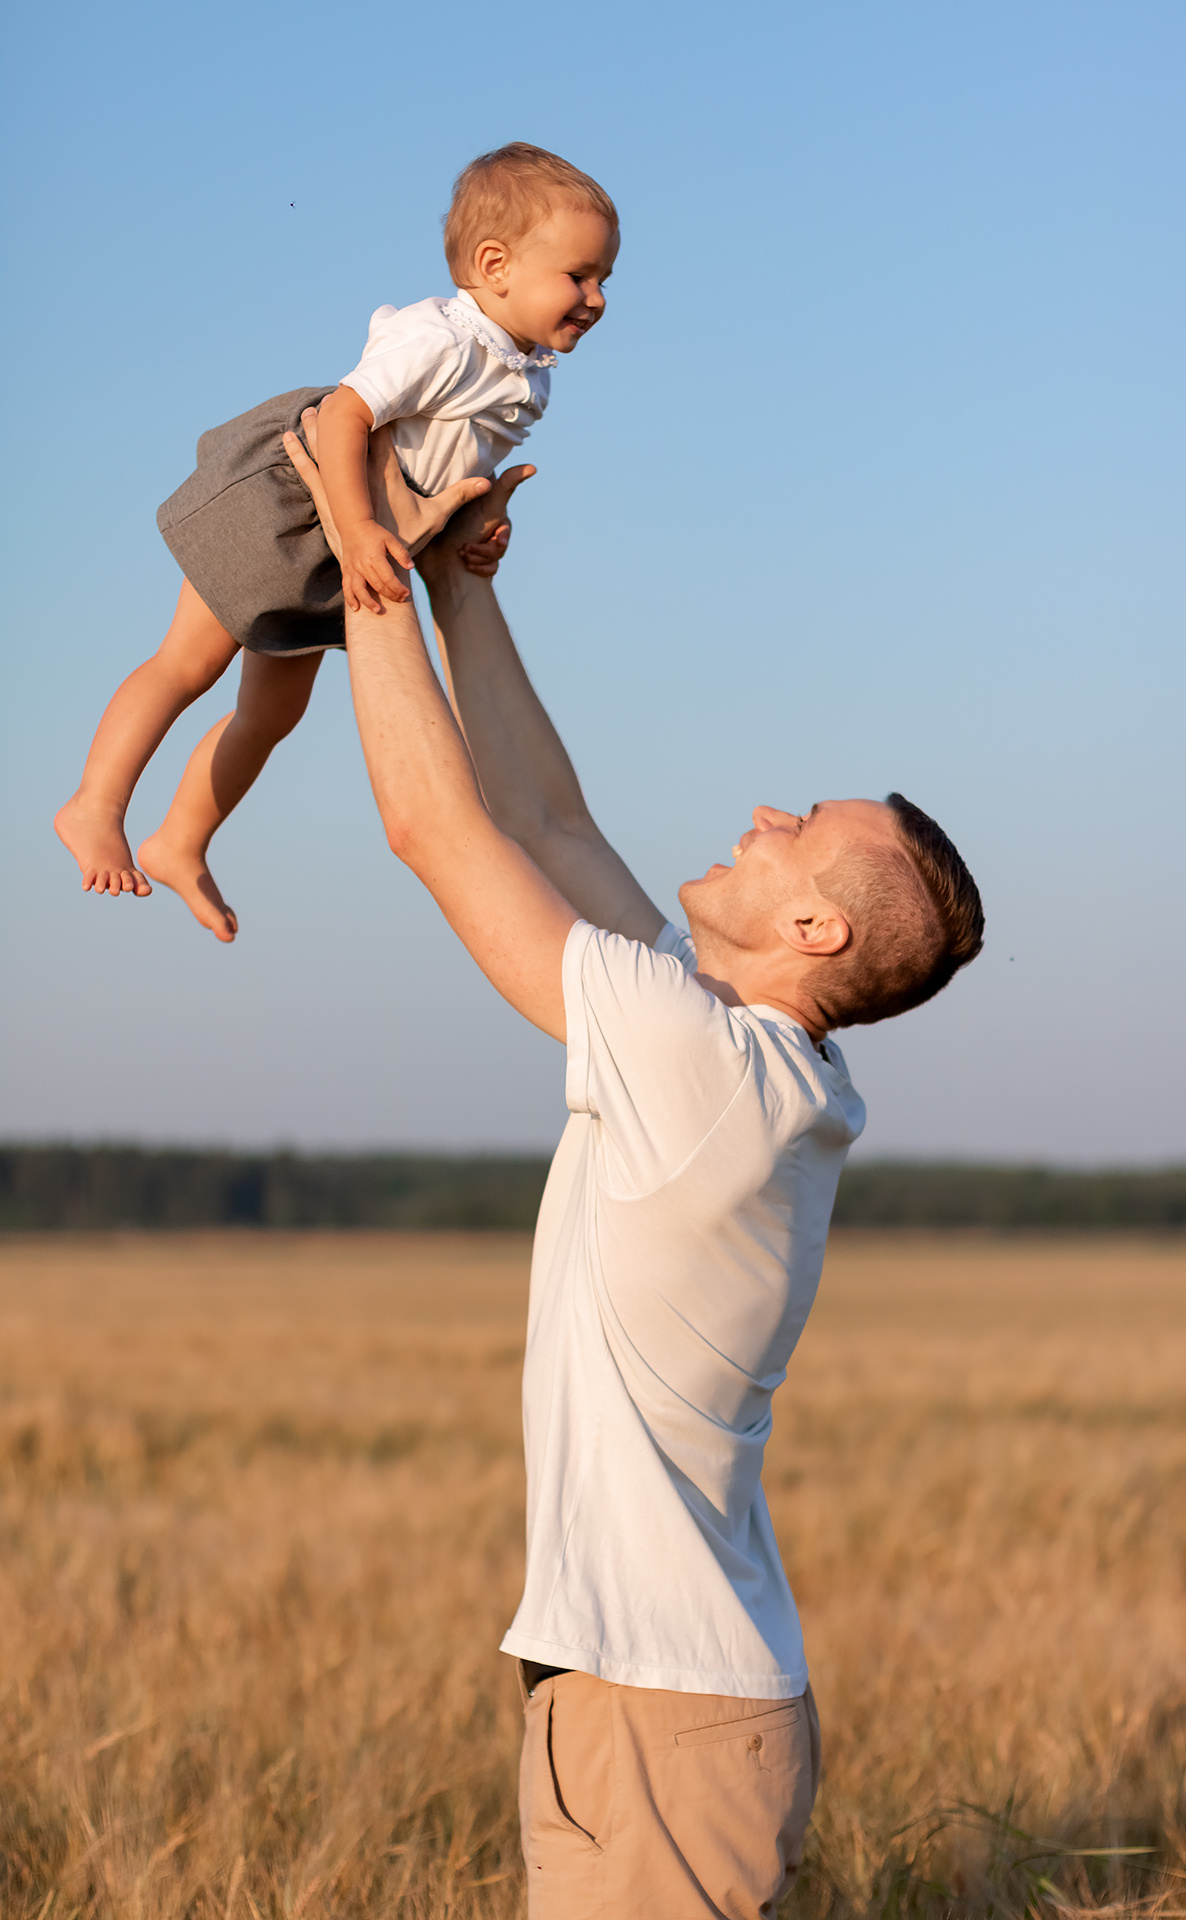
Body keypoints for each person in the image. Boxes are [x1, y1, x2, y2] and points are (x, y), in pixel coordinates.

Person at [284, 420, 985, 1918]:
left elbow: (438, 827)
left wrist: (367, 554)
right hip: (652, 1698)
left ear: (819, 935)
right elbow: (543, 821)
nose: (760, 814)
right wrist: (462, 575)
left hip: (662, 1715)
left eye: (797, 833)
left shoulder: (706, 1071)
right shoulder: (740, 1055)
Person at [54, 143, 618, 941]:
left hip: (357, 542)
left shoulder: (528, 372)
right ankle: (94, 803)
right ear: (495, 265)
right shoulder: (442, 338)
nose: (597, 299)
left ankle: (180, 838)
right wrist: (355, 528)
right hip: (300, 503)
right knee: (188, 662)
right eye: (580, 276)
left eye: (604, 281)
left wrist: (484, 524)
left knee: (271, 714)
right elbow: (350, 412)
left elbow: (456, 465)